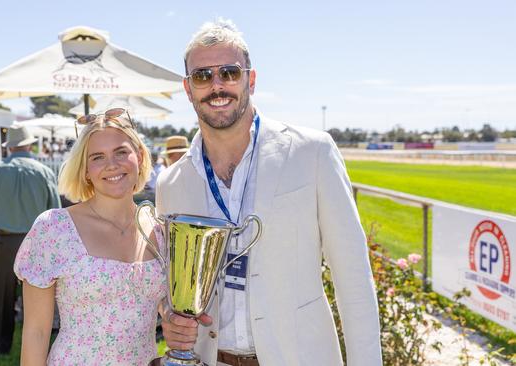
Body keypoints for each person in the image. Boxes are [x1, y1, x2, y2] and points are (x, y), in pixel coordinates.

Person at [156, 19, 382, 365]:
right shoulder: (172, 183)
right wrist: (170, 319)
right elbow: (172, 291)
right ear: (188, 90)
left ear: (252, 79)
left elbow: (354, 280)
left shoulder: (312, 152)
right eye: (203, 76)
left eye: (229, 73)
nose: (217, 86)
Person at [14, 108, 165, 365]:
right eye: (98, 157)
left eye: (121, 152)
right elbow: (36, 333)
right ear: (85, 170)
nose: (112, 165)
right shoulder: (55, 228)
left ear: (139, 157)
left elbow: (162, 306)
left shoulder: (159, 230)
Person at [0, 125, 60, 354]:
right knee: (39, 294)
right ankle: (39, 345)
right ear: (30, 144)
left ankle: (2, 345)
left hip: (6, 241)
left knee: (2, 295)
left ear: (9, 147)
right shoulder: (44, 171)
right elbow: (55, 210)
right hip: (38, 242)